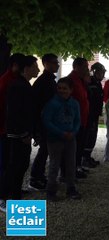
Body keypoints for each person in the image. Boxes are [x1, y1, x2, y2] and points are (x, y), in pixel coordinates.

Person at [0, 55, 38, 208]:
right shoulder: (17, 85)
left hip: (23, 134)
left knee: (21, 165)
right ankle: (4, 197)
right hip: (16, 135)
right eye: (35, 66)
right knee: (13, 166)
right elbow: (14, 112)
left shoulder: (24, 84)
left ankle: (15, 195)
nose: (38, 69)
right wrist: (22, 133)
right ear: (26, 68)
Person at [43, 78, 81, 201]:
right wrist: (61, 133)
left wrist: (73, 132)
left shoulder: (74, 103)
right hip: (55, 138)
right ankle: (51, 190)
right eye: (59, 88)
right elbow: (47, 121)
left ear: (71, 90)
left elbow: (77, 120)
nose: (61, 91)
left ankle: (71, 188)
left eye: (65, 88)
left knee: (71, 163)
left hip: (70, 138)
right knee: (54, 164)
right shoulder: (52, 104)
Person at [29, 54, 60, 191]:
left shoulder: (49, 80)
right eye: (54, 62)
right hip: (44, 123)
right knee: (44, 150)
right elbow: (39, 106)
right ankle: (35, 178)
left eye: (57, 62)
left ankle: (39, 176)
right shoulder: (43, 81)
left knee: (46, 150)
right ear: (46, 63)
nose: (57, 65)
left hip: (48, 122)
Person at [68, 58, 90, 178]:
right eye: (85, 66)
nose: (87, 69)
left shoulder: (80, 80)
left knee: (79, 146)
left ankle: (76, 167)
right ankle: (70, 171)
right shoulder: (71, 80)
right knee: (73, 148)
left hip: (82, 119)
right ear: (77, 66)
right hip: (75, 121)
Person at [82, 62, 105, 167]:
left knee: (93, 136)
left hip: (95, 114)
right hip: (90, 114)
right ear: (95, 72)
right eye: (101, 72)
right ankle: (85, 158)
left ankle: (88, 156)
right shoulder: (91, 83)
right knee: (89, 136)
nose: (103, 75)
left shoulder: (97, 83)